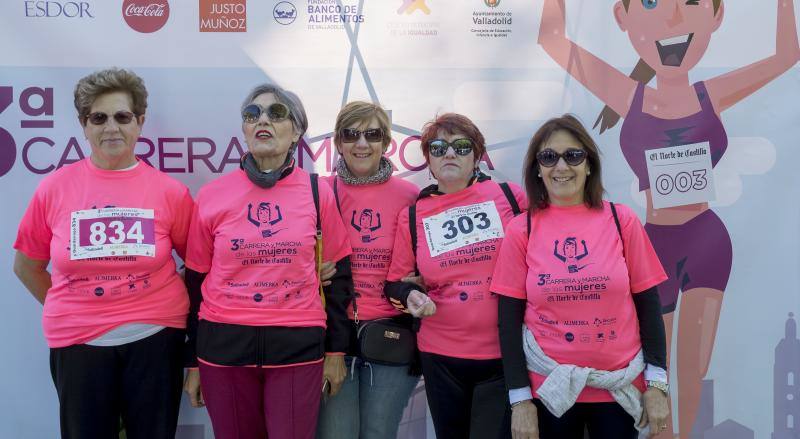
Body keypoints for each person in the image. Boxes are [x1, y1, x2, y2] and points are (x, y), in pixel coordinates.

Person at [538, 1, 800, 435]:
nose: (673, 19)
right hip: (653, 246)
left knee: (690, 375)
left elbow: (786, 56)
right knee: (655, 373)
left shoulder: (710, 95)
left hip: (708, 244)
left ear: (716, 18)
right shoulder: (629, 95)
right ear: (623, 19)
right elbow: (551, 40)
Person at [12, 68, 193, 439]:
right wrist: (76, 307)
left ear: (139, 122)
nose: (111, 127)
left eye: (122, 116)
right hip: (78, 346)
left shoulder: (170, 192)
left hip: (155, 341)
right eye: (99, 117)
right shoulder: (54, 189)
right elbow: (27, 266)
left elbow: (197, 262)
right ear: (84, 124)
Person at [181, 84, 353, 439]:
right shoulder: (213, 195)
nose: (263, 120)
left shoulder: (318, 192)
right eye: (252, 114)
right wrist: (192, 361)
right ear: (244, 130)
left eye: (277, 113)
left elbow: (339, 278)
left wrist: (336, 350)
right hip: (223, 348)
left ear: (297, 131)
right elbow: (196, 283)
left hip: (297, 346)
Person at [491, 115, 670, 439]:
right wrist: (520, 400)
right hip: (548, 392)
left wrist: (658, 384)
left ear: (589, 164)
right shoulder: (521, 229)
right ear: (537, 169)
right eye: (549, 157)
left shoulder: (622, 220)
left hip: (619, 387)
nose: (561, 166)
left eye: (573, 155)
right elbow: (508, 318)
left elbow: (649, 305)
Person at [384, 113, 527, 439]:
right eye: (438, 147)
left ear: (477, 157)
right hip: (440, 357)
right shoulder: (413, 215)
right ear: (429, 161)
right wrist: (410, 296)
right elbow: (393, 285)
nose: (449, 153)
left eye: (461, 147)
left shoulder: (510, 197)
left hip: (502, 355)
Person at [316, 101, 421, 439]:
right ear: (338, 143)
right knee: (336, 434)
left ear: (386, 142)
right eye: (351, 134)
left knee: (379, 433)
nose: (361, 144)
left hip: (390, 333)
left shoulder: (410, 195)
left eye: (372, 134)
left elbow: (432, 262)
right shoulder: (319, 191)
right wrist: (309, 272)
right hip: (333, 333)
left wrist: (422, 280)